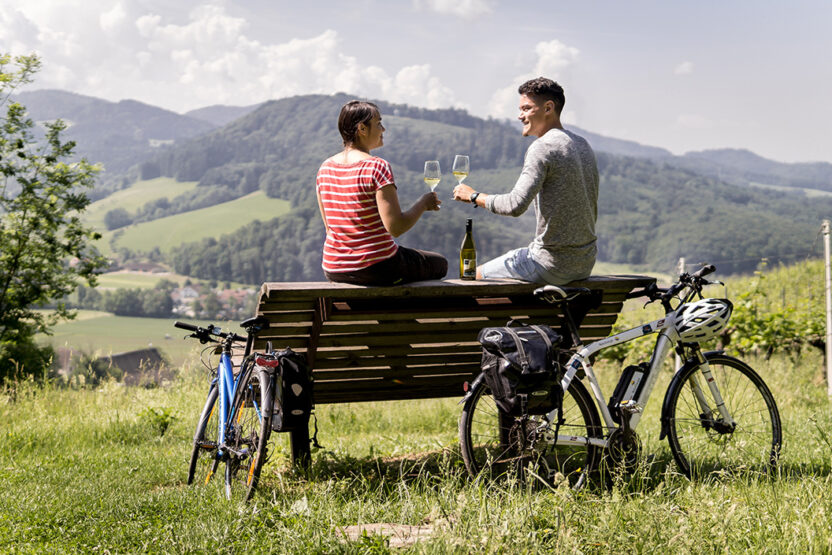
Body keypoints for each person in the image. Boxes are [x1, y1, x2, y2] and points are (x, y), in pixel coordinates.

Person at [452, 77, 598, 284]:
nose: (519, 116)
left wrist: (473, 196)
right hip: (584, 264)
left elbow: (515, 205)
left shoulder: (543, 147)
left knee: (470, 275)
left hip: (550, 263)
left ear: (548, 108)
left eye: (526, 108)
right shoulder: (583, 145)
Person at [316, 100, 448, 285]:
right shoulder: (377, 166)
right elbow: (395, 227)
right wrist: (423, 204)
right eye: (378, 123)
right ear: (362, 128)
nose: (383, 129)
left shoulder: (325, 168)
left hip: (334, 268)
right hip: (377, 267)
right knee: (440, 264)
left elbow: (330, 228)